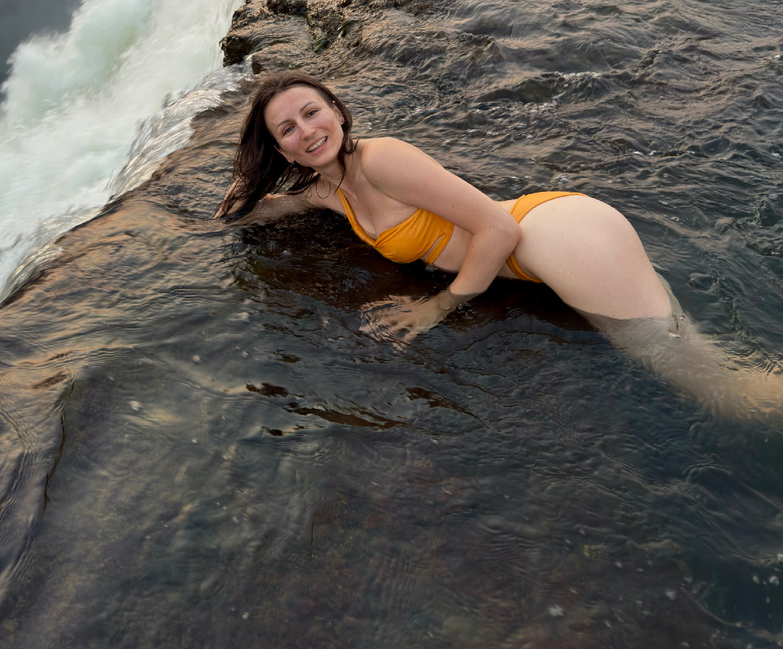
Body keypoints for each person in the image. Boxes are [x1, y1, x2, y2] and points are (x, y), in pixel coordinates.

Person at [217, 70, 782, 418]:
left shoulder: (382, 158)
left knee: (722, 391)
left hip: (560, 242)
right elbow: (262, 209)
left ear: (337, 112)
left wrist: (438, 307)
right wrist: (246, 183)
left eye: (311, 112)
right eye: (286, 129)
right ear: (283, 152)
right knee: (705, 359)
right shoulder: (330, 188)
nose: (307, 130)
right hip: (566, 233)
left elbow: (500, 230)